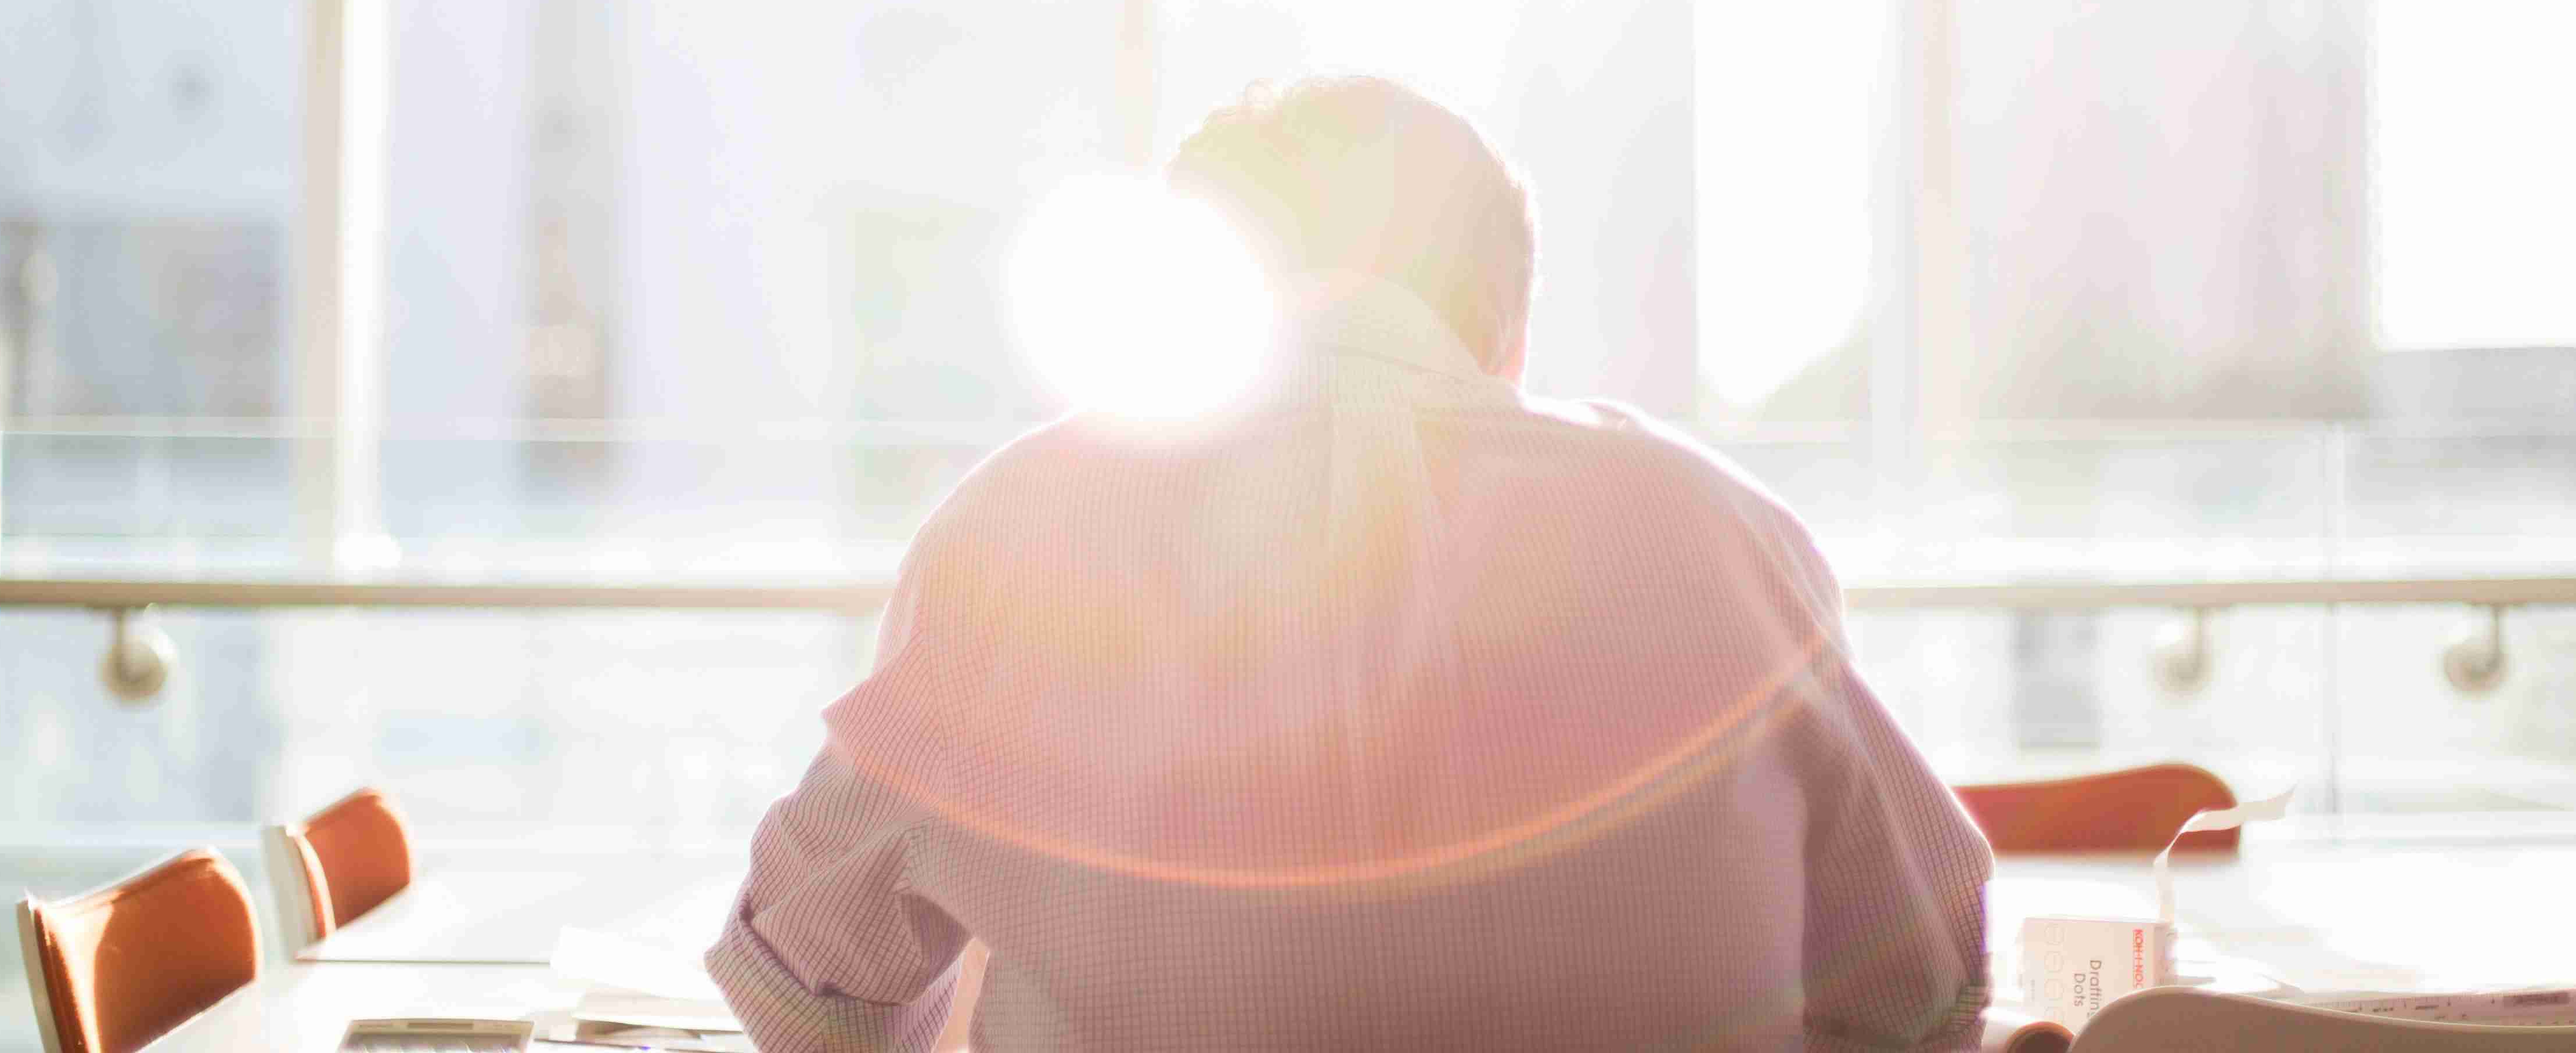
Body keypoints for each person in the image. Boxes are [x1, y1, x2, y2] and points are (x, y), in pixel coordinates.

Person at [709, 75, 1991, 1051]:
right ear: (1508, 321)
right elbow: (1923, 986)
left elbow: (807, 988)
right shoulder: (1720, 534)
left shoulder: (1027, 530)